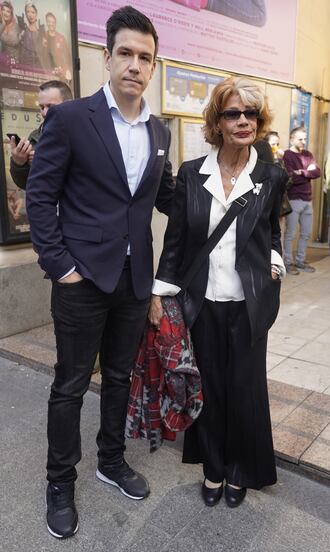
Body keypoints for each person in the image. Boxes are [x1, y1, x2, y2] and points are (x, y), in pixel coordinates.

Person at [26, 6, 174, 539]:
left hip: (134, 283)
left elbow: (165, 197)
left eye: (146, 58)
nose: (136, 65)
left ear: (152, 67)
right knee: (69, 385)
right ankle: (59, 481)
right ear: (106, 57)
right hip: (81, 279)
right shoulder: (70, 119)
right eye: (127, 54)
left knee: (118, 378)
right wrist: (60, 266)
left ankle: (110, 461)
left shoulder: (160, 132)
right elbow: (40, 197)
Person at [149, 77, 287, 508]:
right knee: (206, 387)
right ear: (217, 121)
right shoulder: (192, 173)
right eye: (233, 113)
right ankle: (212, 468)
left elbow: (272, 234)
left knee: (244, 391)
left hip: (249, 304)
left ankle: (240, 470)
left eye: (251, 114)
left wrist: (276, 264)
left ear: (259, 122)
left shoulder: (271, 176)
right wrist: (159, 295)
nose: (243, 121)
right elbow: (176, 243)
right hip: (201, 303)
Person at [9, 80, 73, 190]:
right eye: (42, 107)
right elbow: (24, 184)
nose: (44, 113)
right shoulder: (35, 136)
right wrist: (19, 163)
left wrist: (46, 163)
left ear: (69, 104)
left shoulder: (83, 132)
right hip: (45, 205)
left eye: (50, 106)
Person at [283, 126, 320, 275]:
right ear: (292, 139)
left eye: (305, 139)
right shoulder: (287, 155)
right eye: (300, 139)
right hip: (294, 199)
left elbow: (316, 172)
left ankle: (300, 260)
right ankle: (288, 262)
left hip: (307, 199)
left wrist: (303, 172)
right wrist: (307, 172)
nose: (303, 142)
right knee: (290, 234)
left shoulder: (308, 154)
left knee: (306, 233)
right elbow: (291, 177)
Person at [42, 12, 72, 81]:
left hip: (60, 73)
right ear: (46, 22)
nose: (51, 24)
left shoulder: (61, 38)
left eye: (53, 22)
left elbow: (68, 56)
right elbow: (41, 56)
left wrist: (66, 70)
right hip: (47, 73)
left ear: (55, 23)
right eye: (49, 22)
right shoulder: (43, 36)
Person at [20, 2, 45, 67]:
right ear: (25, 14)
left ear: (36, 14)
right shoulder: (23, 30)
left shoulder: (41, 31)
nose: (30, 15)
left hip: (37, 65)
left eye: (33, 12)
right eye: (28, 12)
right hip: (24, 64)